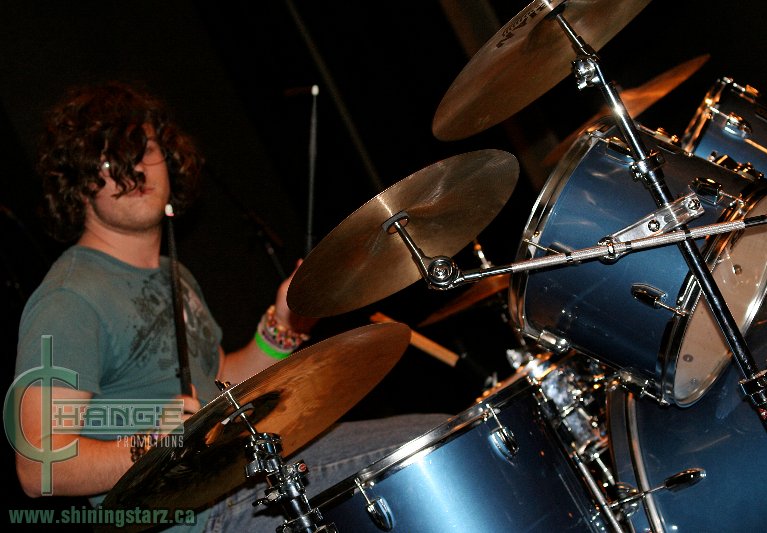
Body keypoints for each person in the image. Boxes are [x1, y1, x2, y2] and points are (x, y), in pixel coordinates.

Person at [10, 81, 446, 531]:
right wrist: (151, 448)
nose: (134, 168)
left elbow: (220, 384)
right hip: (199, 518)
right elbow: (38, 467)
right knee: (423, 453)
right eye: (111, 158)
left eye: (145, 149)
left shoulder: (174, 273)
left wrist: (284, 323)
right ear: (79, 181)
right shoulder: (69, 297)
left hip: (242, 477)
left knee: (441, 433)